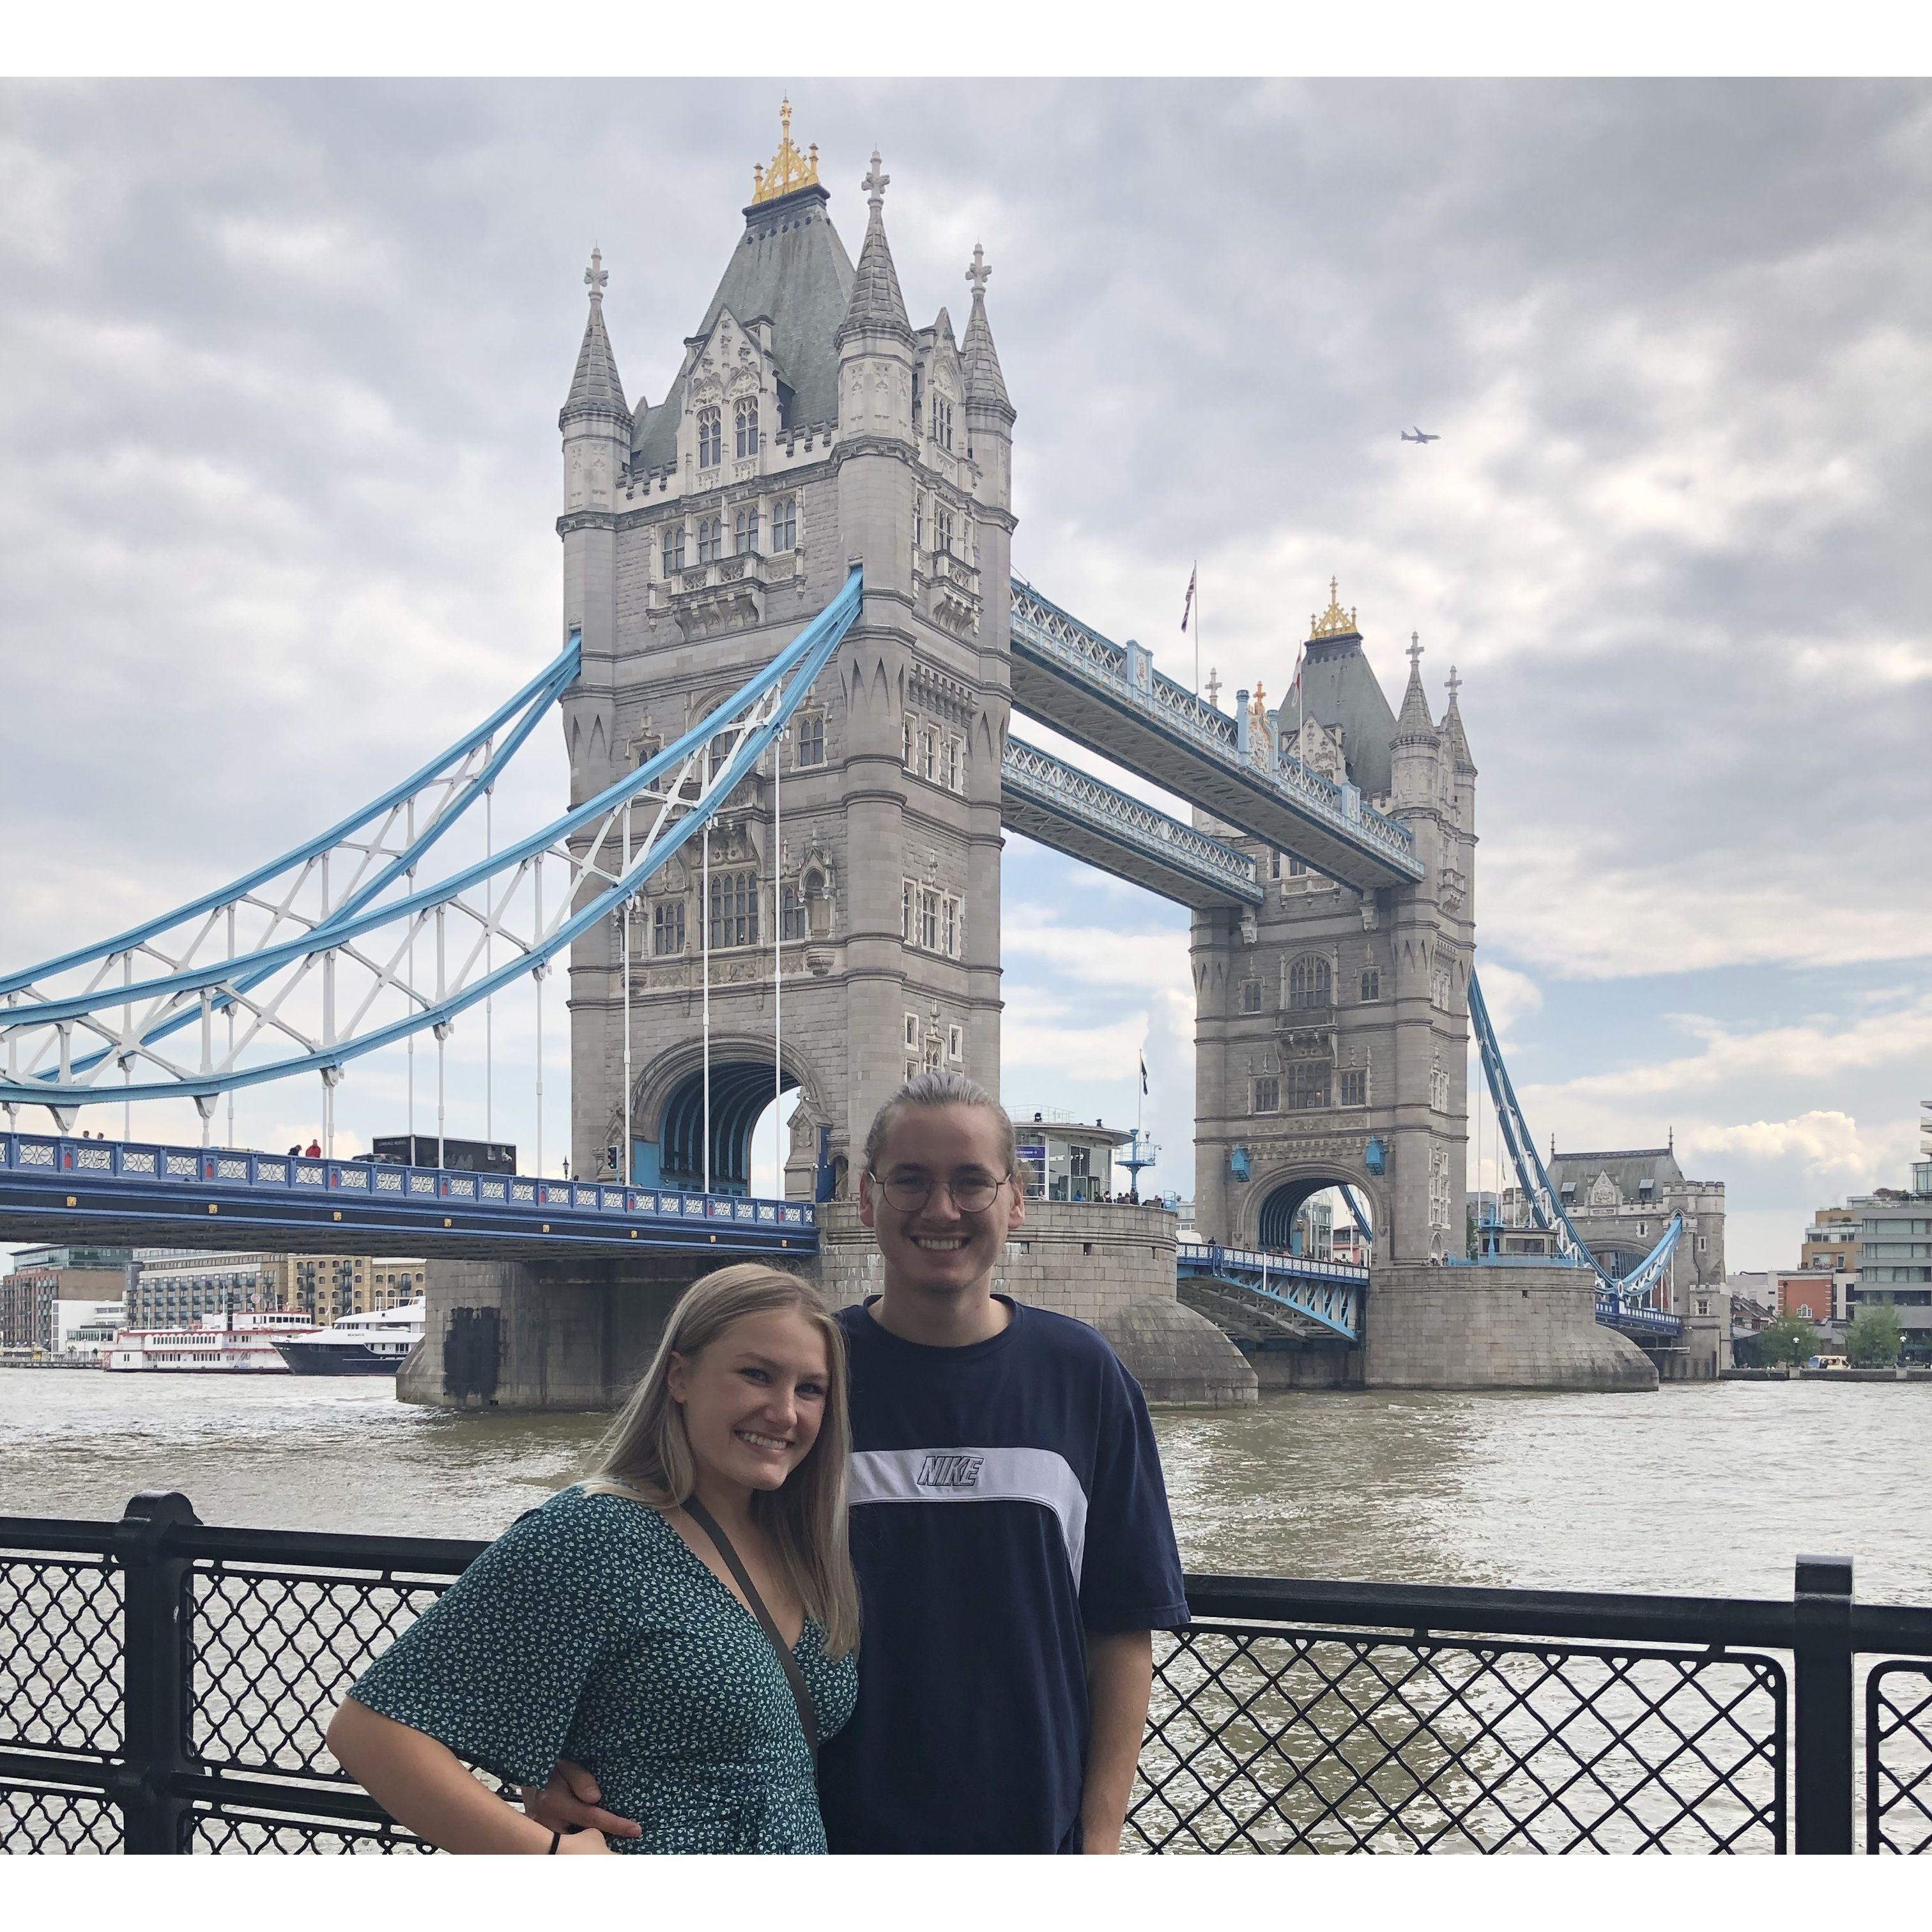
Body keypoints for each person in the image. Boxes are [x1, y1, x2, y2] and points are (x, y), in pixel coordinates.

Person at [532, 1070, 1188, 1855]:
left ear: (1016, 1202)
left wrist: (1101, 1836)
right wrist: (564, 1748)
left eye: (971, 1183)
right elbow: (668, 1553)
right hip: (809, 1836)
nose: (940, 1210)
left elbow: (1121, 1628)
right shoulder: (801, 1383)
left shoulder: (1085, 1376)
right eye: (909, 1181)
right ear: (866, 1201)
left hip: (1032, 1837)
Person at [326, 1264, 860, 1853]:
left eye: (809, 1389)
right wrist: (548, 1860)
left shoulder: (799, 1545)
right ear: (679, 1377)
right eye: (757, 1375)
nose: (785, 1412)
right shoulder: (594, 1534)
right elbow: (371, 1734)